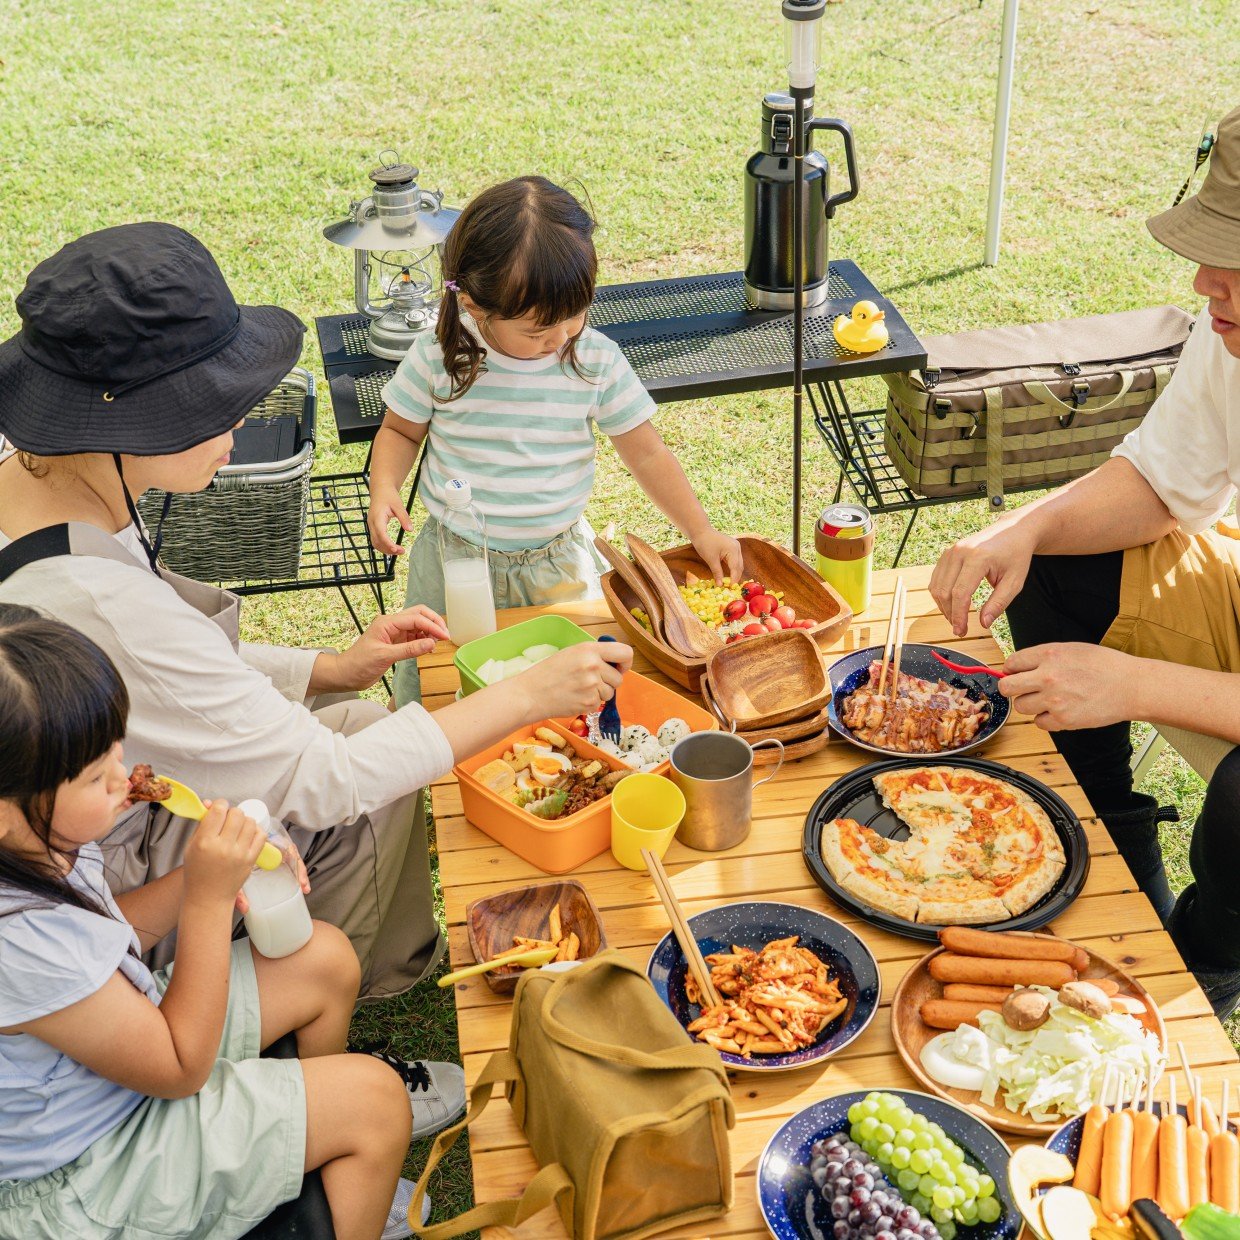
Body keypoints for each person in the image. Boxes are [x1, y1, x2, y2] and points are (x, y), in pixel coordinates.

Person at [0, 222, 633, 1134]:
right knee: (369, 771)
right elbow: (319, 783)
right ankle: (299, 1004)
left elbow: (171, 671)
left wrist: (329, 668)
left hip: (70, 788)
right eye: (212, 410)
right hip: (93, 844)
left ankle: (313, 989)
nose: (236, 429)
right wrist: (524, 697)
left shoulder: (34, 482)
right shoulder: (93, 599)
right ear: (124, 423)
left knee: (366, 722)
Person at [929, 105, 1240, 1018]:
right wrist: (1021, 527)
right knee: (1063, 557)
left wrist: (1134, 684)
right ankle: (1111, 864)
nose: (1203, 279)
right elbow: (1162, 482)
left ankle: (1206, 964)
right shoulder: (1232, 334)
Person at [0, 603, 428, 1240]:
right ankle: (341, 1152)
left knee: (324, 959)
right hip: (87, 1172)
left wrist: (204, 881)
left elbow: (109, 934)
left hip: (119, 1079)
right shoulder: (16, 938)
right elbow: (179, 1068)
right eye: (97, 776)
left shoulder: (37, 839)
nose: (123, 780)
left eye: (118, 754)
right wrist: (204, 900)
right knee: (376, 1100)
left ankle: (313, 1163)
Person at [366, 175, 744, 707]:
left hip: (558, 565)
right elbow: (400, 429)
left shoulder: (592, 359)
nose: (561, 337)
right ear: (475, 305)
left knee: (568, 692)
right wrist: (384, 486)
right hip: (455, 562)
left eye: (575, 316)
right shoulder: (441, 356)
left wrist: (699, 531)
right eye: (538, 330)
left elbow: (647, 452)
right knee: (442, 686)